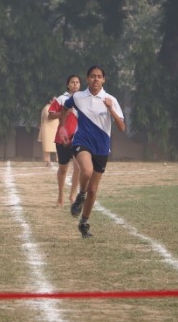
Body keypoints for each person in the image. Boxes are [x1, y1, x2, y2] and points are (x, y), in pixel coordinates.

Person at [58, 65, 125, 238]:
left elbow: (122, 127)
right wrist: (62, 127)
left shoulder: (110, 99)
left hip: (101, 148)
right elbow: (64, 108)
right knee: (86, 170)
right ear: (87, 79)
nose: (96, 79)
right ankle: (80, 195)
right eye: (93, 76)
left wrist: (110, 109)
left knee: (93, 190)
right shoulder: (78, 97)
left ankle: (84, 223)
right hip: (82, 142)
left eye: (99, 76)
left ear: (104, 80)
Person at [48, 75, 82, 207]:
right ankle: (60, 197)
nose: (75, 84)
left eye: (77, 82)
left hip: (79, 138)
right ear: (68, 85)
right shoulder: (61, 99)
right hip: (62, 138)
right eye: (72, 82)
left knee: (79, 167)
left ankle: (73, 195)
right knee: (63, 169)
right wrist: (65, 112)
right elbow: (50, 115)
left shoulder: (84, 99)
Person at [38, 97, 58, 166]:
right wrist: (60, 114)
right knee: (47, 147)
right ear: (50, 101)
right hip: (48, 130)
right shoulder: (47, 108)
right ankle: (47, 161)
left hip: (55, 129)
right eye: (54, 100)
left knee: (58, 145)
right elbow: (50, 117)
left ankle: (60, 160)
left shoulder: (56, 108)